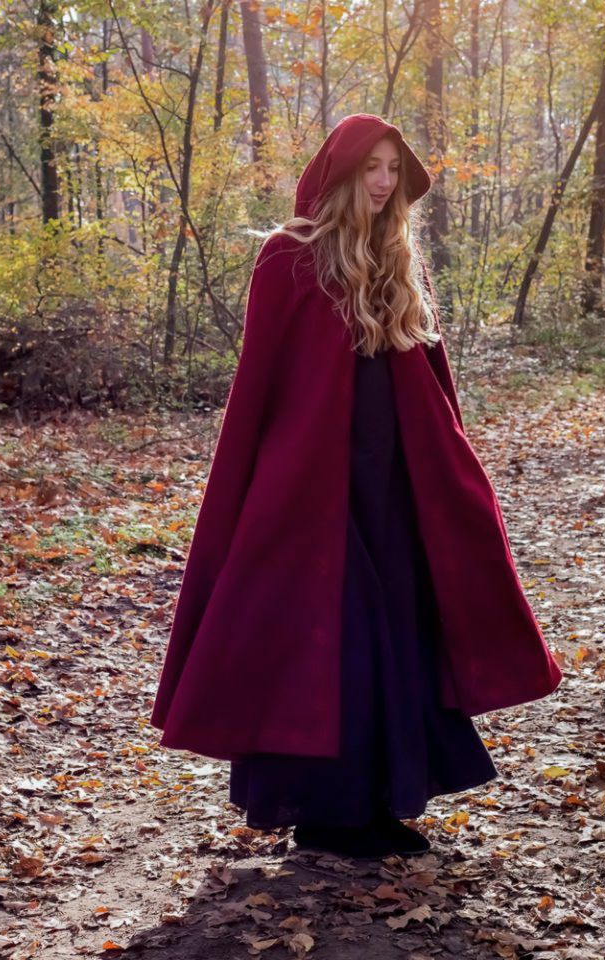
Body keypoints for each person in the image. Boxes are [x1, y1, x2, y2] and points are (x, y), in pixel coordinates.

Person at [149, 114, 563, 862]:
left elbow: (432, 387)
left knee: (399, 636)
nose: (382, 181)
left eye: (392, 169)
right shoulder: (289, 260)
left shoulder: (398, 261)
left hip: (396, 487)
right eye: (370, 166)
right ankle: (329, 812)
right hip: (313, 497)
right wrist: (259, 497)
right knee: (338, 640)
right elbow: (259, 394)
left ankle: (377, 803)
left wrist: (446, 480)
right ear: (339, 173)